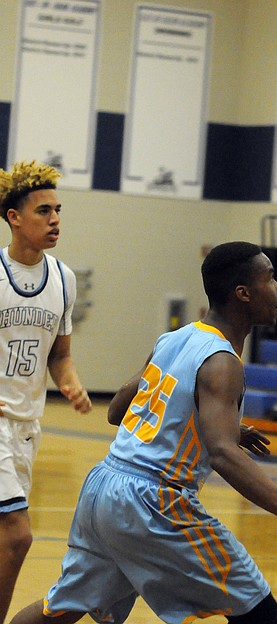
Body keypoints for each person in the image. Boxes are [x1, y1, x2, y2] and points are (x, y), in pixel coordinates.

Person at [10, 241, 277, 624]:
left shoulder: (176, 338)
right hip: (153, 503)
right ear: (243, 294)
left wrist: (209, 422)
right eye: (270, 278)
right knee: (260, 612)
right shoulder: (222, 362)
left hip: (104, 489)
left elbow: (118, 410)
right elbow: (221, 453)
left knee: (60, 609)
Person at [0, 160, 91, 624]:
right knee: (17, 536)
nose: (55, 219)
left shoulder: (63, 279)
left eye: (58, 210)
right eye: (43, 211)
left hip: (27, 427)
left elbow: (60, 354)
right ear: (14, 217)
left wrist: (71, 383)